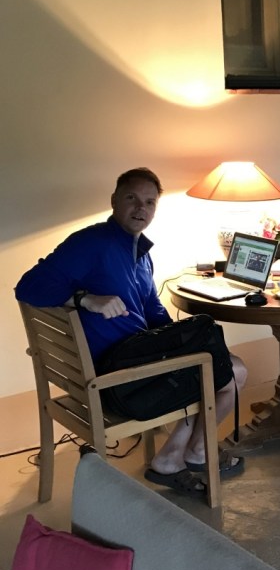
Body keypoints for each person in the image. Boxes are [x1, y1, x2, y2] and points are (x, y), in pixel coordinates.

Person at [15, 167, 246, 498]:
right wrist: (85, 299)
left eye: (150, 202)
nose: (141, 208)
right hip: (116, 381)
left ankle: (186, 452)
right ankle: (185, 455)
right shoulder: (92, 243)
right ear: (114, 201)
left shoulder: (138, 252)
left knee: (212, 357)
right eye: (132, 198)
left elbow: (151, 308)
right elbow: (28, 286)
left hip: (130, 360)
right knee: (233, 372)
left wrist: (179, 338)